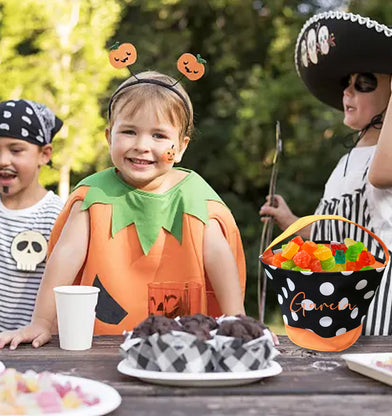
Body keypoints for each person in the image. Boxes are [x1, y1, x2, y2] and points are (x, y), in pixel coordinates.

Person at [0, 71, 246, 349]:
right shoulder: (94, 196)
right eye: (129, 131)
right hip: (102, 343)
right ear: (109, 136)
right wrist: (41, 322)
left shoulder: (195, 198)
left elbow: (219, 257)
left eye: (159, 135)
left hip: (183, 342)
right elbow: (64, 257)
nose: (142, 145)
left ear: (180, 147)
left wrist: (237, 320)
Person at [260, 11, 392, 336]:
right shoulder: (345, 162)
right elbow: (324, 234)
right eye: (347, 83)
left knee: (375, 371)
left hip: (376, 292)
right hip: (335, 289)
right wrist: (291, 222)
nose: (347, 91)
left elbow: (382, 176)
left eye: (364, 84)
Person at [0, 99, 64, 331]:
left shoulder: (58, 216)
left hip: (32, 349)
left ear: (44, 154)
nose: (3, 161)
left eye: (16, 150)